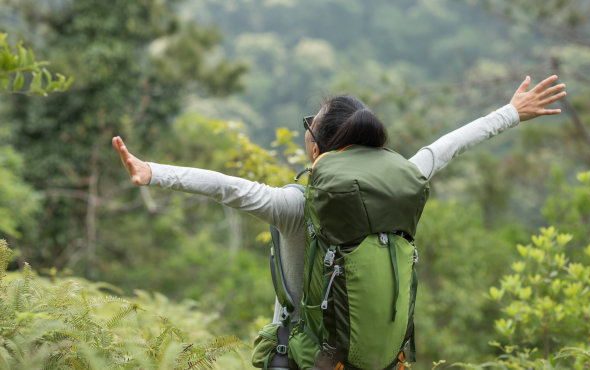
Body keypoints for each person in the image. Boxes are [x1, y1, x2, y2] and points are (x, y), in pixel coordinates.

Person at [112, 75, 566, 366]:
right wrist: (511, 112)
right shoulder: (404, 179)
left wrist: (154, 173)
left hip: (311, 359)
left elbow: (229, 187)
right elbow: (448, 146)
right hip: (382, 358)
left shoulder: (293, 205)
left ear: (317, 147)